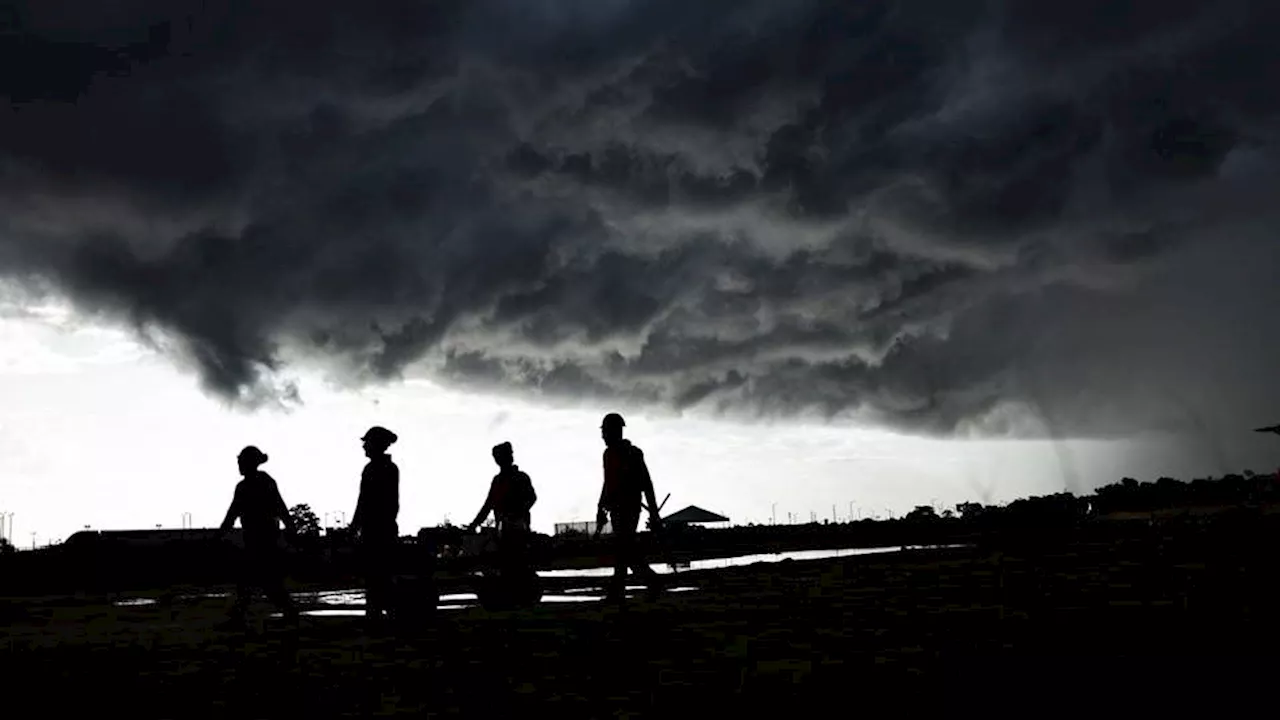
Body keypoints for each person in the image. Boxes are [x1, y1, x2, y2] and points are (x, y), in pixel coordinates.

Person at [219, 445, 298, 628]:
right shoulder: (251, 485)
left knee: (263, 580)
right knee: (255, 580)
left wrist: (221, 533)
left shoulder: (258, 483)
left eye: (241, 461)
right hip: (256, 538)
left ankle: (288, 612)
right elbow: (233, 514)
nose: (239, 465)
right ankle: (286, 612)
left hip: (263, 539)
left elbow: (279, 506)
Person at [593, 413, 663, 601]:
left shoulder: (633, 454)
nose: (603, 436)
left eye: (605, 432)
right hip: (615, 509)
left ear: (615, 431)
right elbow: (607, 483)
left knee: (623, 549)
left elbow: (646, 484)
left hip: (629, 509)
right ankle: (646, 583)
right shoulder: (608, 455)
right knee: (625, 550)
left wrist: (654, 513)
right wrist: (600, 507)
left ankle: (625, 589)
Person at [350, 425, 401, 624]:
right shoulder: (383, 468)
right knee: (378, 575)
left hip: (378, 529)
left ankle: (380, 613)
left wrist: (356, 527)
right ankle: (380, 612)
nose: (364, 446)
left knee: (378, 575)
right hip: (380, 528)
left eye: (367, 443)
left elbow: (364, 501)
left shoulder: (380, 469)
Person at [466, 442, 537, 569]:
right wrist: (474, 524)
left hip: (518, 528)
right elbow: (488, 505)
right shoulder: (497, 481)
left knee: (518, 562)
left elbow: (531, 498)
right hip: (502, 529)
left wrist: (517, 513)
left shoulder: (520, 477)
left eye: (505, 455)